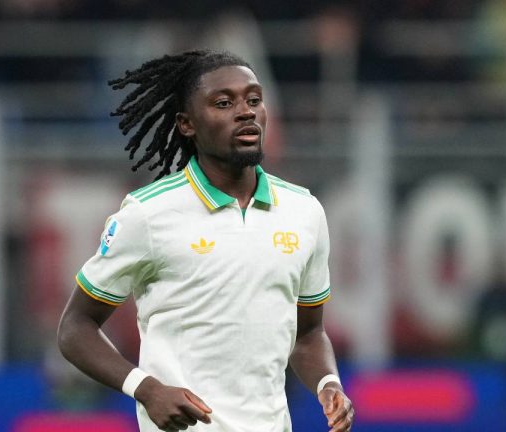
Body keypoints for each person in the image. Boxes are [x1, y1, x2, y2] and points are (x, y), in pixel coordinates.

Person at [58, 49, 354, 432]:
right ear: (187, 124)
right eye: (224, 103)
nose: (245, 112)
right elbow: (75, 327)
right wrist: (146, 389)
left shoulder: (304, 211)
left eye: (254, 100)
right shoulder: (148, 214)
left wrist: (328, 383)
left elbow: (308, 333)